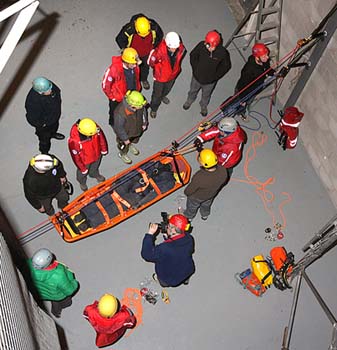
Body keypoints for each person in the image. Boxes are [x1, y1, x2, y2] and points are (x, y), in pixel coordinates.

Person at [183, 30, 231, 117]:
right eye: (207, 45)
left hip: (210, 82)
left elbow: (226, 66)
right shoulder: (202, 45)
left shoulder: (222, 53)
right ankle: (190, 100)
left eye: (210, 46)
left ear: (216, 44)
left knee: (206, 95)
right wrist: (195, 69)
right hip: (196, 77)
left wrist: (215, 77)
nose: (208, 48)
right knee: (192, 90)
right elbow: (193, 55)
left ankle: (203, 105)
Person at [141, 213, 195, 287]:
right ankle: (185, 280)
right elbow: (177, 244)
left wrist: (150, 234)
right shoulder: (189, 238)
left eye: (168, 226)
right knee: (183, 270)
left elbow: (146, 254)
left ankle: (161, 281)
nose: (166, 227)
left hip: (170, 279)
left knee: (164, 281)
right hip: (188, 269)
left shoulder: (165, 248)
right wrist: (169, 238)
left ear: (173, 230)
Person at [116, 13, 163, 90]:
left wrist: (154, 47)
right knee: (130, 70)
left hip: (147, 53)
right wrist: (126, 50)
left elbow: (159, 35)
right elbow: (119, 39)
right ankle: (131, 82)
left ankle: (143, 79)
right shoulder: (129, 29)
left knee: (145, 68)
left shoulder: (153, 26)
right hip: (133, 55)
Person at [27, 248, 79, 318]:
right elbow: (69, 291)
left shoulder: (28, 264)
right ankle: (59, 309)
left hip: (42, 293)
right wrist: (75, 283)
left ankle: (55, 313)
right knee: (65, 302)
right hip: (57, 295)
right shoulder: (58, 275)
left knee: (54, 302)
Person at [230, 42, 274, 120]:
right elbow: (243, 85)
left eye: (267, 55)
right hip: (244, 90)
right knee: (240, 104)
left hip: (255, 88)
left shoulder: (263, 60)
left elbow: (267, 68)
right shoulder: (249, 70)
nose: (267, 58)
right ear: (257, 57)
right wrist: (242, 98)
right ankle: (240, 112)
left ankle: (244, 105)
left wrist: (273, 73)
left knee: (249, 101)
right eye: (264, 56)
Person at [147, 31, 186, 118]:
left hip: (172, 75)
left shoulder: (181, 48)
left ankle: (163, 96)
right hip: (160, 78)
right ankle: (154, 108)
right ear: (167, 45)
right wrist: (158, 70)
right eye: (172, 48)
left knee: (167, 89)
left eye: (176, 47)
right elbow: (150, 62)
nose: (175, 49)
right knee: (156, 95)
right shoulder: (158, 52)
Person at [184, 149, 228, 220]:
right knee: (206, 205)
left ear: (202, 163)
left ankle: (189, 217)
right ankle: (205, 215)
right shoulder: (223, 170)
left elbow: (191, 189)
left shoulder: (199, 176)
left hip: (196, 197)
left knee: (192, 207)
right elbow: (223, 181)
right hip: (210, 195)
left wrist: (186, 192)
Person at [102, 48, 142, 127]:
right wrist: (112, 97)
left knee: (128, 109)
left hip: (130, 92)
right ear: (126, 62)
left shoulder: (134, 66)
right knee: (114, 110)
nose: (135, 65)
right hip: (118, 97)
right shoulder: (114, 69)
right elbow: (105, 85)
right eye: (133, 64)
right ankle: (113, 122)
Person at [25, 77, 65, 153]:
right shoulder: (33, 102)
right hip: (44, 125)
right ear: (40, 93)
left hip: (54, 117)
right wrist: (42, 124)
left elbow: (57, 91)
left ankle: (53, 134)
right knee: (44, 139)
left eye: (50, 88)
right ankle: (44, 151)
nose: (51, 90)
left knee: (54, 127)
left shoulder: (49, 85)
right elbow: (32, 118)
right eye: (48, 90)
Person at [68, 118, 108, 191]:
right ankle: (82, 182)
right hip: (85, 161)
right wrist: (82, 168)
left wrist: (103, 149)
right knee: (82, 174)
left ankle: (94, 174)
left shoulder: (93, 127)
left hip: (97, 154)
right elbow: (76, 157)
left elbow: (101, 137)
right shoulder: (74, 141)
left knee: (95, 166)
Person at [112, 90, 148, 164]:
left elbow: (144, 113)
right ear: (132, 105)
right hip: (126, 134)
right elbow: (119, 128)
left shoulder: (139, 106)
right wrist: (125, 139)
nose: (142, 107)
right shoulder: (120, 114)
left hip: (136, 129)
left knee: (134, 139)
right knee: (124, 146)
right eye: (140, 106)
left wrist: (144, 123)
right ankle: (123, 153)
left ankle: (130, 144)